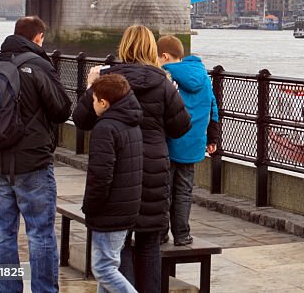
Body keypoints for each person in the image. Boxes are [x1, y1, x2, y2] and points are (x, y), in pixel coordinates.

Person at [73, 26, 191, 293]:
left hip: (119, 170)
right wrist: (173, 95)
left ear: (123, 47)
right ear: (152, 49)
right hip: (152, 170)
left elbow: (81, 119)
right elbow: (181, 127)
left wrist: (91, 86)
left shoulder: (108, 79)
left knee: (120, 246)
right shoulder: (162, 82)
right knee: (150, 244)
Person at [0, 16, 72, 293]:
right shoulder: (39, 65)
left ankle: (5, 289)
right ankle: (43, 290)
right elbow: (61, 110)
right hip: (32, 163)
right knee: (40, 232)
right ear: (38, 37)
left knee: (2, 231)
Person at [156, 35, 221, 247]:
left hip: (169, 141)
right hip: (194, 144)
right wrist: (213, 137)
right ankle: (182, 235)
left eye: (157, 57)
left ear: (164, 56)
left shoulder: (164, 74)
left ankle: (161, 233)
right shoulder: (203, 76)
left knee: (164, 190)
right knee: (184, 191)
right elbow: (213, 108)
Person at [82, 74, 144, 293]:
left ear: (103, 103)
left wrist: (90, 207)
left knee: (103, 269)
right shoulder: (131, 123)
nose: (92, 103)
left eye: (94, 99)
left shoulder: (105, 128)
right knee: (109, 266)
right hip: (127, 207)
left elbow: (100, 175)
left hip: (109, 209)